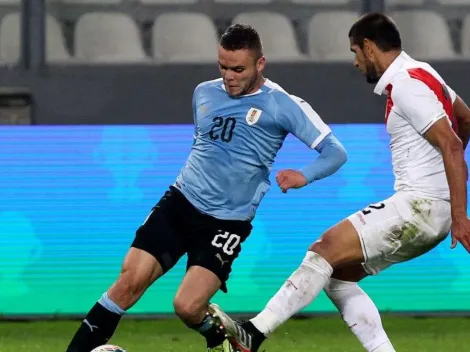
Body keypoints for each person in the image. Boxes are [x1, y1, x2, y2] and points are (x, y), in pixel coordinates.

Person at [65, 23, 347, 352]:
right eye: (223, 67)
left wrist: (304, 175)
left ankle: (223, 337)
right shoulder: (204, 93)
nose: (229, 76)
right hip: (179, 203)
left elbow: (335, 152)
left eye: (238, 69)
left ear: (260, 64)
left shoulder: (283, 105)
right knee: (127, 283)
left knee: (186, 306)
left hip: (225, 223)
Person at [209, 12, 470, 352]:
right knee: (336, 276)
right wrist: (446, 181)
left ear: (368, 47)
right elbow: (464, 121)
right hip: (430, 208)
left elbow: (451, 142)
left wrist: (460, 215)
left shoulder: (407, 84)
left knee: (324, 248)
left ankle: (253, 333)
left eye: (355, 52)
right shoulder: (424, 73)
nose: (356, 62)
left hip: (420, 207)